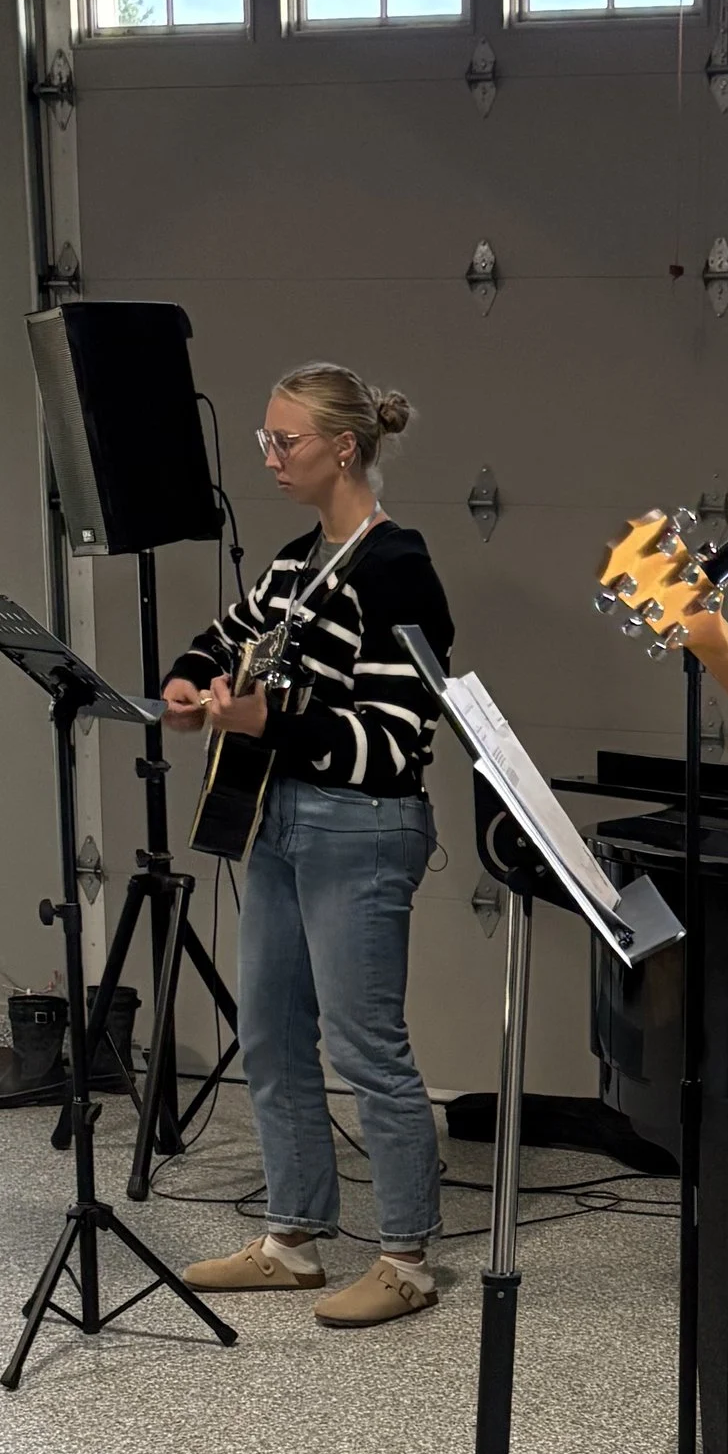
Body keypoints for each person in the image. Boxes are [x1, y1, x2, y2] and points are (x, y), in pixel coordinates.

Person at [165, 363, 454, 1328]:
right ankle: (292, 1239)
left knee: (368, 1045)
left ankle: (407, 1256)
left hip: (361, 827)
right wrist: (189, 680)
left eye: (283, 440)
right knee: (271, 1034)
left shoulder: (398, 566)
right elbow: (227, 633)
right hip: (282, 821)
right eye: (264, 440)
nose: (270, 456)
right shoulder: (297, 565)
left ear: (343, 446)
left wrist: (269, 716)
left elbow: (398, 734)